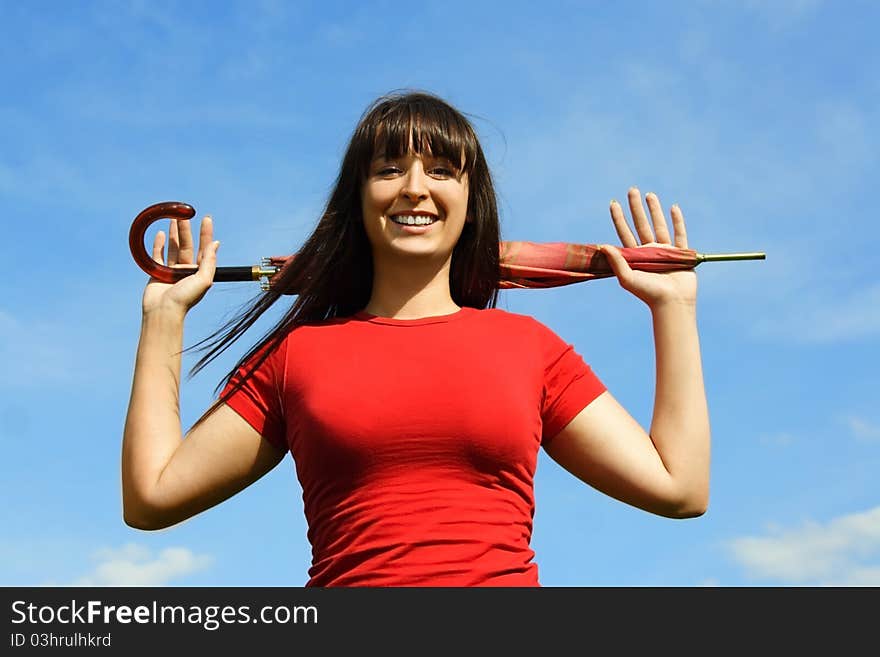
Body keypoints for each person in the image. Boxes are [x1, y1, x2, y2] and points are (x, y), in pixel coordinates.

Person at [122, 90, 710, 586]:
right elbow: (151, 497)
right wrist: (164, 317)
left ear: (470, 202)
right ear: (357, 201)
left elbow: (678, 487)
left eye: (441, 171)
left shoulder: (529, 347)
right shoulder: (297, 357)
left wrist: (674, 309)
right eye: (387, 170)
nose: (413, 188)